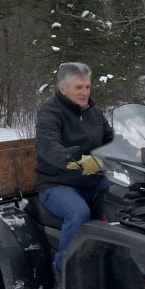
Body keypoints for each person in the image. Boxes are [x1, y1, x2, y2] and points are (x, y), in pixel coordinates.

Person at [35, 62, 114, 277]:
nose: (85, 92)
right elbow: (48, 144)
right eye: (79, 87)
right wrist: (71, 160)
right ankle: (65, 270)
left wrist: (137, 149)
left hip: (93, 180)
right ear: (63, 89)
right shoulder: (50, 113)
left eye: (87, 87)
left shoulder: (94, 113)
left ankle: (118, 258)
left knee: (126, 197)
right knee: (78, 212)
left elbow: (111, 139)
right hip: (57, 182)